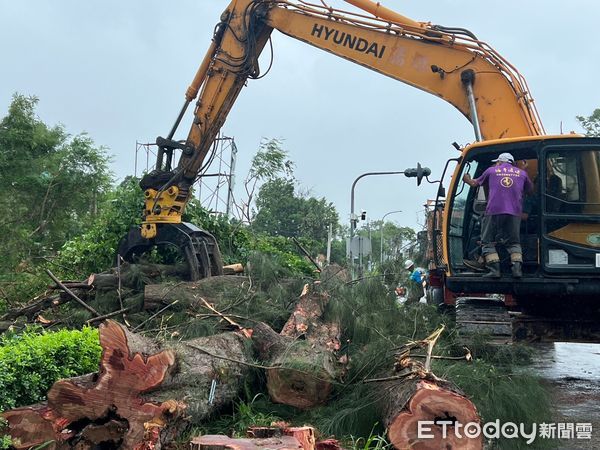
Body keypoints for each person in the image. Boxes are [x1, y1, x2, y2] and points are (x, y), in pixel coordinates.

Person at [463, 153, 533, 278]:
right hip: (514, 212)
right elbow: (530, 190)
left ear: (500, 162)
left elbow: (474, 184)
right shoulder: (522, 173)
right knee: (514, 243)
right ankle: (517, 270)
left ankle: (494, 270)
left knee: (487, 241)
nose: (496, 164)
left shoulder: (491, 171)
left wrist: (466, 178)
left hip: (494, 211)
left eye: (497, 162)